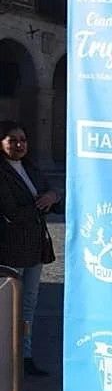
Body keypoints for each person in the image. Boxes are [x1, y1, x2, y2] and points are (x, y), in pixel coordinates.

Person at [0, 121, 60, 377]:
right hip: (11, 248)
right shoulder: (2, 173)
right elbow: (10, 212)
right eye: (12, 140)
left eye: (22, 139)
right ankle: (6, 357)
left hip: (35, 248)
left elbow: (52, 194)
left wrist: (53, 197)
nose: (19, 144)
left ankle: (24, 356)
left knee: (28, 306)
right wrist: (41, 203)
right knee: (7, 305)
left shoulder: (31, 168)